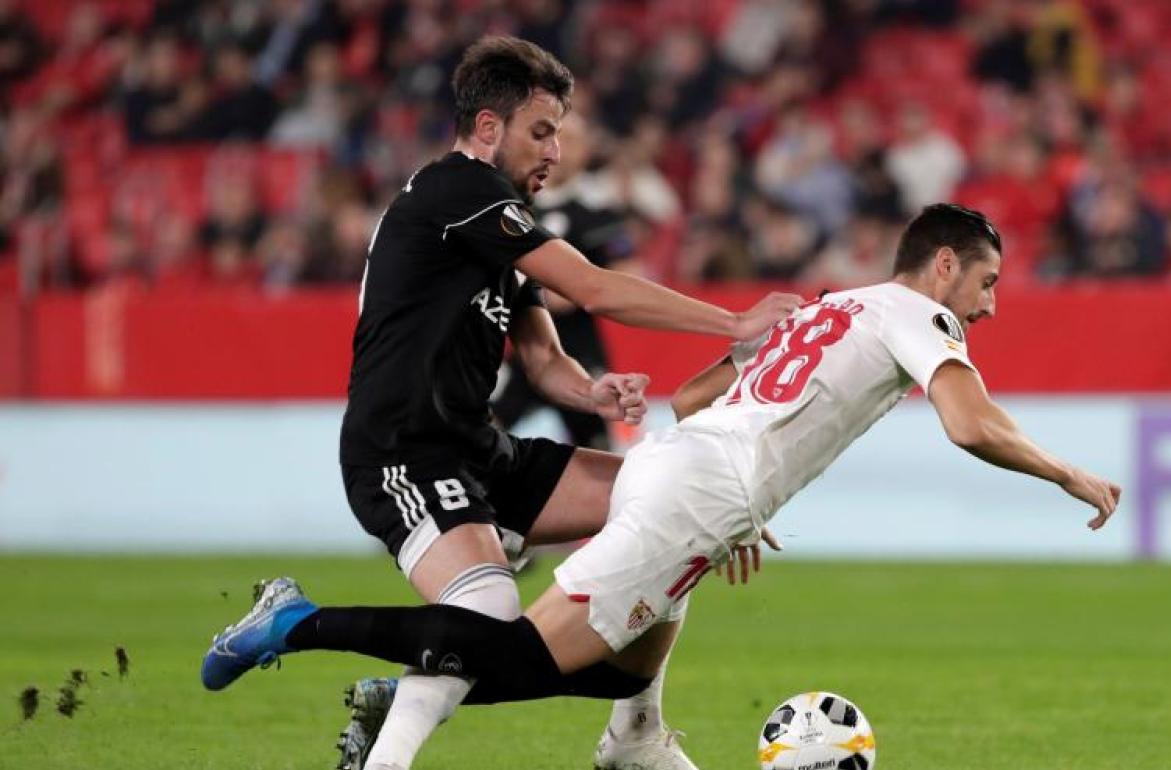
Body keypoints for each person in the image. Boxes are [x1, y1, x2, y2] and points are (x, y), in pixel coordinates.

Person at [204, 204, 1120, 761]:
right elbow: (969, 423)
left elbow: (692, 397)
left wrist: (741, 496)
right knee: (518, 653)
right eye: (986, 282)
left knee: (622, 670)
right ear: (944, 265)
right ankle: (302, 624)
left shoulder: (838, 303)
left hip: (686, 468)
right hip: (700, 487)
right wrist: (1067, 472)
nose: (989, 305)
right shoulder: (921, 314)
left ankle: (611, 735)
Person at [211, 35, 799, 770]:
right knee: (487, 610)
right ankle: (298, 626)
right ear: (488, 127)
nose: (555, 150)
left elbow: (543, 358)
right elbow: (594, 288)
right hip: (403, 452)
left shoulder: (495, 225)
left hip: (480, 448)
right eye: (541, 131)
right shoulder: (455, 191)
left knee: (673, 502)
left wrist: (592, 390)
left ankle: (636, 731)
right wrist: (737, 323)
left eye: (558, 133)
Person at [491, 111, 635, 451]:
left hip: (578, 350)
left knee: (598, 447)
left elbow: (629, 271)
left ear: (585, 150)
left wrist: (576, 290)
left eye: (570, 140)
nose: (559, 148)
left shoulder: (597, 211)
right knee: (485, 429)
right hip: (525, 350)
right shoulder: (515, 205)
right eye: (550, 137)